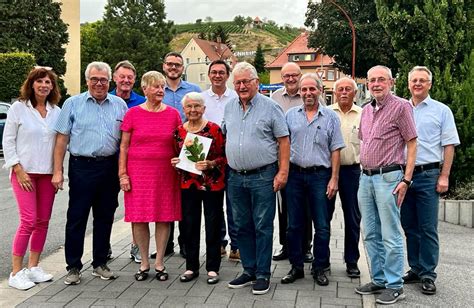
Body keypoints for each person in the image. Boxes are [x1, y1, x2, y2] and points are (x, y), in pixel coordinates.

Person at [52, 62, 128, 285]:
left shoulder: (119, 105)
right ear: (87, 81)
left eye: (103, 79)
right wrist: (58, 171)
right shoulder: (73, 103)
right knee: (77, 217)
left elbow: (125, 141)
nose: (99, 83)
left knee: (105, 217)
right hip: (82, 167)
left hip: (109, 167)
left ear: (110, 81)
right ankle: (73, 267)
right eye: (94, 79)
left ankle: (100, 263)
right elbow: (61, 139)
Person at [223, 62, 290, 295]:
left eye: (246, 82)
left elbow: (283, 141)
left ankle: (262, 274)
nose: (242, 86)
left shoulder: (271, 107)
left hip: (263, 176)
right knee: (242, 225)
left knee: (262, 226)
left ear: (256, 83)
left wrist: (282, 172)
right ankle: (248, 269)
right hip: (234, 177)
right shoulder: (229, 107)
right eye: (238, 82)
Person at [355, 65, 417, 305]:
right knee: (370, 233)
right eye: (372, 80)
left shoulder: (401, 107)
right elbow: (364, 142)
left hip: (389, 178)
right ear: (367, 84)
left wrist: (406, 179)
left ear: (391, 82)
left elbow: (412, 144)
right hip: (366, 178)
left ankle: (394, 285)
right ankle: (379, 279)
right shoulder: (366, 110)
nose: (376, 84)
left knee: (390, 234)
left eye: (381, 79)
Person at [401, 66, 460, 295]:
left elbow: (449, 145)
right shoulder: (401, 108)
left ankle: (428, 274)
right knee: (409, 226)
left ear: (429, 85)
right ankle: (415, 268)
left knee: (427, 228)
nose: (417, 84)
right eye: (414, 80)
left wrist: (444, 175)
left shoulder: (441, 111)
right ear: (408, 84)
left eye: (422, 80)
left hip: (427, 175)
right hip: (404, 176)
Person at [119, 71, 181, 282]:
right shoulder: (133, 113)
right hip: (138, 174)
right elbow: (124, 147)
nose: (160, 90)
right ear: (144, 89)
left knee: (164, 217)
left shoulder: (173, 114)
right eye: (155, 86)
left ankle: (160, 262)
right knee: (139, 217)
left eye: (163, 86)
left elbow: (180, 144)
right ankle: (144, 262)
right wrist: (123, 174)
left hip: (165, 174)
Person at [282, 73, 344, 286]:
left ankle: (319, 267)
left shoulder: (331, 117)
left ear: (319, 90)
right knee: (294, 225)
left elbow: (336, 149)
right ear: (299, 91)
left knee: (322, 225)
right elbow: (283, 145)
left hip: (320, 176)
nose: (308, 93)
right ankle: (296, 267)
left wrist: (334, 179)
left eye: (312, 89)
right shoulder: (290, 115)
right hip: (295, 175)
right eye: (304, 89)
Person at [2, 67, 61, 290]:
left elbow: (59, 144)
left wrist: (58, 172)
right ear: (31, 84)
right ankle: (16, 272)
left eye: (48, 82)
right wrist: (17, 169)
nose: (44, 85)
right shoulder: (18, 108)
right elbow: (8, 141)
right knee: (28, 221)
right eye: (40, 81)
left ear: (53, 86)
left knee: (43, 221)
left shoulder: (56, 111)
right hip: (24, 173)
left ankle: (34, 267)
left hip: (47, 174)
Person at [172, 92, 226, 285]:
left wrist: (211, 164)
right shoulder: (179, 131)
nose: (193, 110)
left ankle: (212, 268)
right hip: (188, 185)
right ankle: (191, 266)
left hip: (212, 184)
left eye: (197, 106)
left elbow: (224, 157)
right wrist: (175, 161)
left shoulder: (214, 129)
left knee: (213, 225)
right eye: (189, 107)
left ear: (204, 109)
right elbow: (175, 155)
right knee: (189, 225)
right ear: (184, 109)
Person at [270, 62, 313, 263]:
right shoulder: (275, 97)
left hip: (303, 160)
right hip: (282, 161)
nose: (290, 79)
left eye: (294, 75)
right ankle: (286, 245)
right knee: (284, 207)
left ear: (300, 75)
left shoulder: (308, 94)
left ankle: (306, 247)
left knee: (305, 207)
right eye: (286, 75)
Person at [161, 51, 201, 258]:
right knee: (167, 198)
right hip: (165, 151)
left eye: (177, 64)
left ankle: (186, 243)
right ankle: (165, 244)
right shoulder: (160, 90)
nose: (173, 67)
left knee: (187, 200)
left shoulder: (194, 90)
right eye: (170, 64)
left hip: (189, 150)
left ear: (182, 68)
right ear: (164, 66)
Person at [202, 59, 240, 262]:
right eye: (214, 72)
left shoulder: (235, 97)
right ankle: (219, 243)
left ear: (227, 75)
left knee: (234, 205)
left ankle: (237, 245)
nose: (217, 75)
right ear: (209, 75)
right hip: (209, 161)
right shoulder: (201, 98)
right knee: (214, 206)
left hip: (231, 157)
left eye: (221, 72)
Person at [110, 60, 146, 263]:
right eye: (121, 76)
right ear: (115, 78)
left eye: (129, 77)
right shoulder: (104, 98)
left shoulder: (141, 102)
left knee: (136, 207)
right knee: (106, 207)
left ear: (134, 80)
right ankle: (103, 247)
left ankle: (136, 246)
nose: (125, 80)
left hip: (135, 165)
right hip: (108, 162)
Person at [328, 77, 362, 278]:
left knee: (352, 218)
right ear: (334, 92)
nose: (343, 92)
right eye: (340, 89)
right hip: (328, 172)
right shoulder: (327, 113)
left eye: (348, 89)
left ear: (354, 93)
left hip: (352, 171)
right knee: (324, 217)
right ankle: (322, 260)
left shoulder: (363, 114)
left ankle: (352, 261)